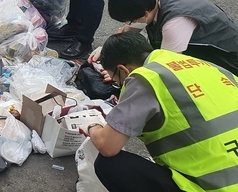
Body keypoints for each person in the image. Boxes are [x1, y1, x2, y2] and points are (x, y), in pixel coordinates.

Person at [82, 32, 238, 192]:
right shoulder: (202, 65)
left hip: (214, 188)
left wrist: (92, 125)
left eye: (116, 79)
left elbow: (107, 145)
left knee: (110, 165)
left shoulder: (146, 78)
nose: (118, 84)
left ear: (123, 69)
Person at [91, 0, 238, 76]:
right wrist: (106, 50)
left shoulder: (174, 24)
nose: (129, 24)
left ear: (145, 13)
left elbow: (164, 68)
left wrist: (121, 74)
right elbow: (129, 30)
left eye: (131, 20)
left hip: (228, 57)